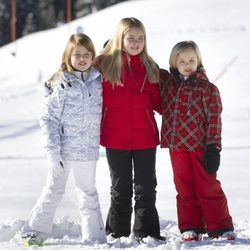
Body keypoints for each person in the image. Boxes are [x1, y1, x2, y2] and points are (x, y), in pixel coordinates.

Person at [21, 33, 106, 246]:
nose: (82, 59)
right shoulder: (62, 84)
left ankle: (94, 238)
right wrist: (52, 151)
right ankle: (34, 233)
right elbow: (48, 118)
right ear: (68, 56)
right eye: (77, 54)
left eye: (87, 54)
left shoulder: (98, 81)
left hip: (87, 151)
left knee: (88, 194)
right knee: (53, 190)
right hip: (63, 152)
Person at [94, 17, 164, 242]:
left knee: (146, 188)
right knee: (120, 188)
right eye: (130, 38)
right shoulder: (105, 66)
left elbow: (160, 103)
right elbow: (80, 72)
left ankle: (147, 233)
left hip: (145, 137)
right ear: (120, 38)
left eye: (140, 38)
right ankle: (117, 232)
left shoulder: (150, 67)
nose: (136, 43)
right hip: (115, 138)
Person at [160, 40, 236, 241]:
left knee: (207, 186)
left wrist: (214, 148)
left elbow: (213, 120)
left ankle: (221, 226)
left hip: (200, 147)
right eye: (182, 60)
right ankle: (191, 226)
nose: (187, 64)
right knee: (184, 187)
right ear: (174, 63)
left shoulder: (208, 88)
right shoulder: (168, 84)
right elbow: (148, 67)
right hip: (177, 147)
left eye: (192, 60)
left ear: (198, 61)